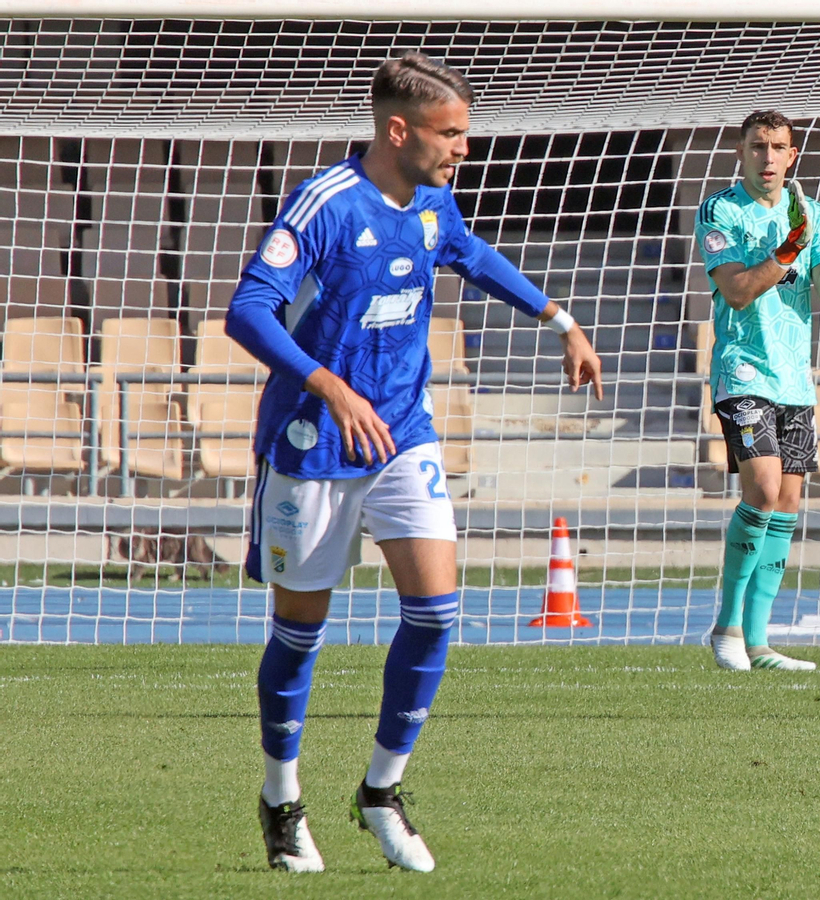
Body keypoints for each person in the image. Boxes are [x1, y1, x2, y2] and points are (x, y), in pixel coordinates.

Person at [227, 52, 602, 872]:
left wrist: (560, 319)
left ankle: (380, 792)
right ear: (398, 130)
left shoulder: (433, 200)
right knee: (300, 632)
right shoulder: (324, 204)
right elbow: (246, 310)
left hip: (403, 432)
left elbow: (469, 254)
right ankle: (281, 798)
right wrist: (329, 387)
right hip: (312, 443)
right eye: (451, 133)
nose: (464, 148)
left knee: (435, 613)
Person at [694, 110, 820, 672]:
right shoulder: (721, 209)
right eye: (758, 147)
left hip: (795, 377)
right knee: (764, 485)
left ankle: (758, 640)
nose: (768, 157)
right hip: (743, 369)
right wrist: (789, 249)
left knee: (790, 501)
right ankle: (725, 627)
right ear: (741, 151)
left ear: (793, 155)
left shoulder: (815, 215)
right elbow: (736, 292)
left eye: (778, 147)